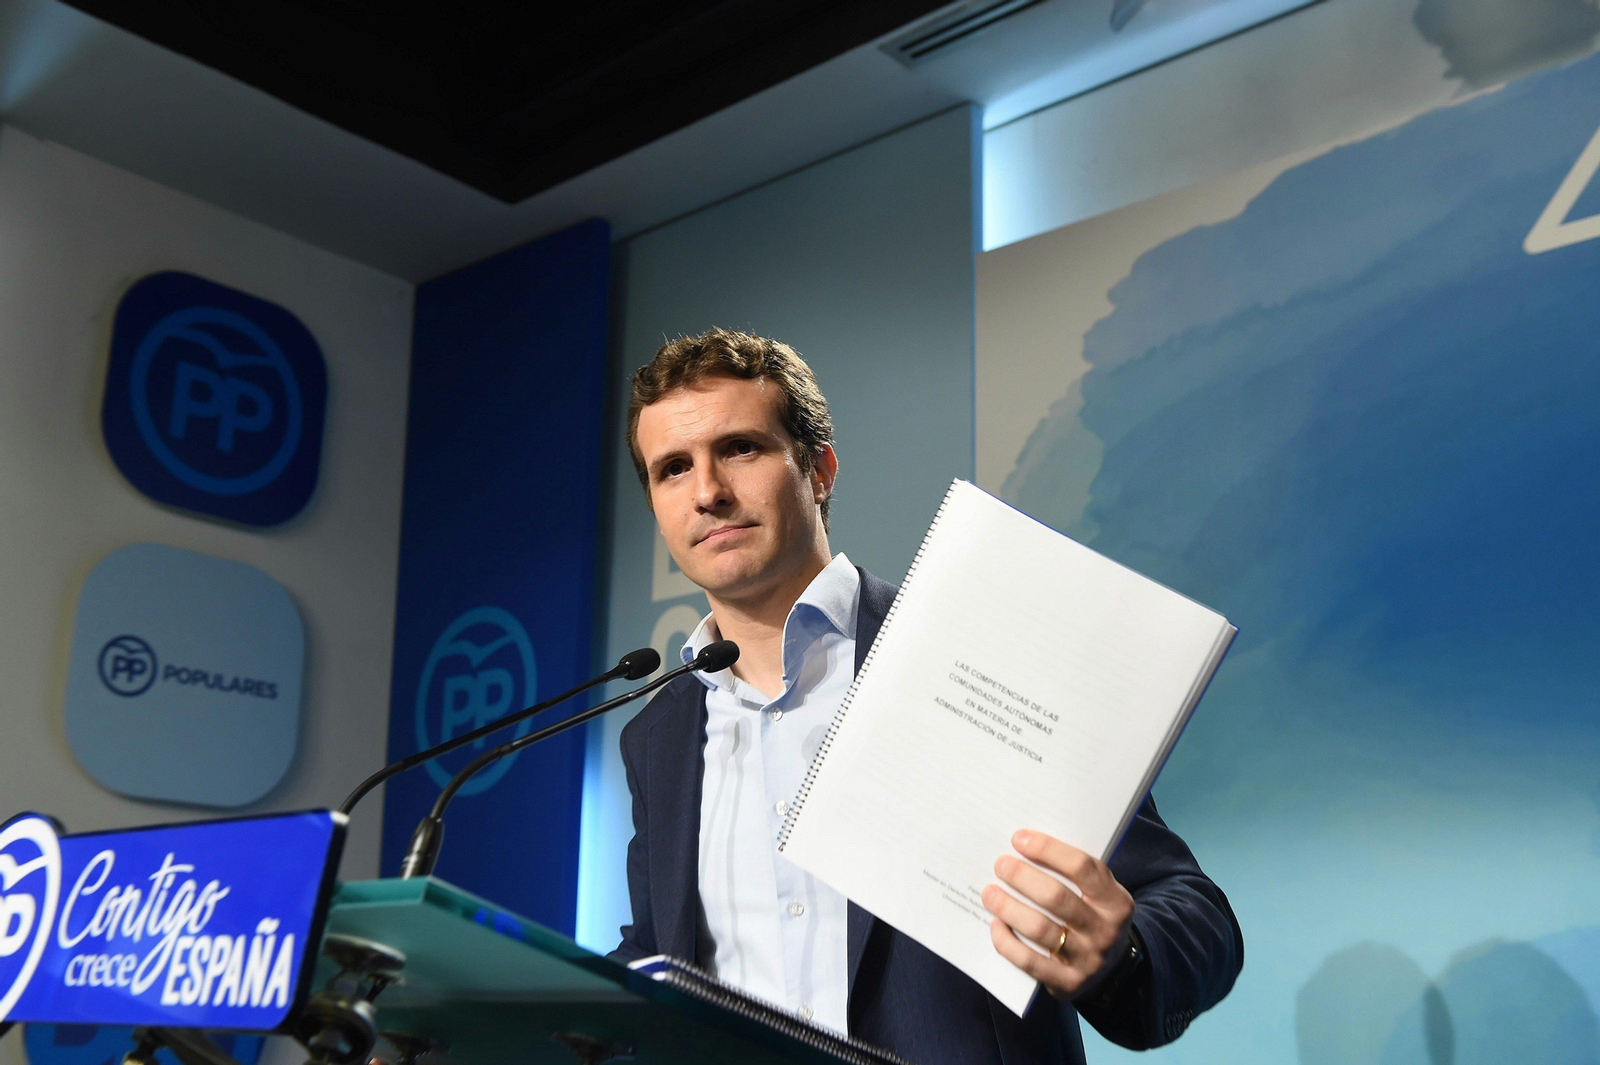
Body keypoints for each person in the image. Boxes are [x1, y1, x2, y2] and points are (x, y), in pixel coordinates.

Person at [611, 328, 1242, 1065]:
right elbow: (660, 951)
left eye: (741, 448)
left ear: (819, 470)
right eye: (673, 468)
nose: (708, 492)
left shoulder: (972, 653)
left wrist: (1118, 954)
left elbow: (1195, 915)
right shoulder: (656, 733)